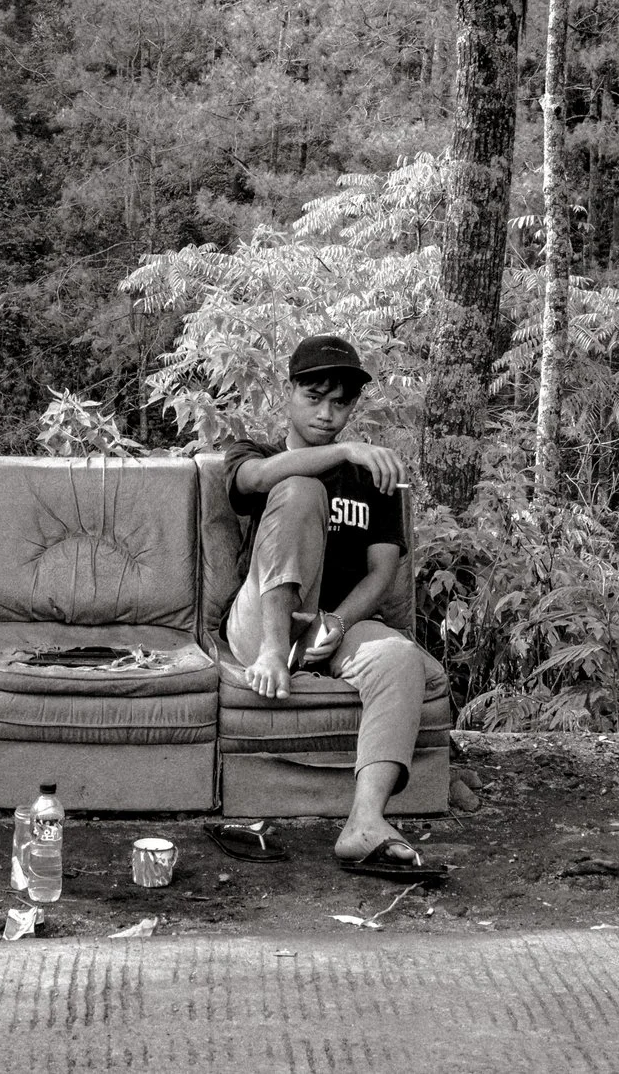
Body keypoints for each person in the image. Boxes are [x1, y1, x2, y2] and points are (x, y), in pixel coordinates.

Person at [217, 334, 440, 881]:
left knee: (401, 659)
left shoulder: (375, 479)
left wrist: (337, 622)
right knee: (300, 487)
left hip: (334, 629)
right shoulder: (256, 453)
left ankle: (364, 823)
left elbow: (383, 573)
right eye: (314, 396)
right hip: (262, 622)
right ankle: (273, 654)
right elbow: (255, 482)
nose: (326, 413)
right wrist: (344, 451)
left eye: (339, 403)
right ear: (286, 394)